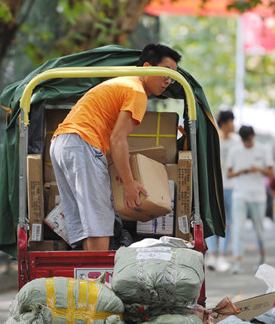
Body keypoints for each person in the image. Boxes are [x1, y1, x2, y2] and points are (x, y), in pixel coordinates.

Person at [50, 43, 181, 251]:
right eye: (165, 73)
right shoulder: (137, 91)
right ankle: (97, 280)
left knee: (85, 225)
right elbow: (118, 140)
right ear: (147, 67)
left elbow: (112, 142)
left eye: (172, 77)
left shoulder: (123, 84)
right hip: (82, 143)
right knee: (98, 223)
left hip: (62, 144)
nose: (168, 81)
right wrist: (129, 185)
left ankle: (85, 279)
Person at [226, 125, 274, 273]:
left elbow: (271, 172)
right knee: (238, 229)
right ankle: (237, 261)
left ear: (253, 136)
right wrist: (239, 172)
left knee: (258, 230)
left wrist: (257, 169)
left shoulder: (263, 149)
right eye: (245, 141)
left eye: (249, 140)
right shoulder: (235, 150)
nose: (247, 143)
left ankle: (262, 256)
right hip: (240, 194)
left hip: (258, 196)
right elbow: (228, 174)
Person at [206, 110, 238, 271]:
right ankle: (212, 254)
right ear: (224, 124)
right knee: (213, 220)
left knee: (228, 222)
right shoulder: (213, 139)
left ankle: (223, 256)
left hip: (232, 187)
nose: (234, 125)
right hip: (216, 186)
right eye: (232, 122)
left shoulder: (237, 141)